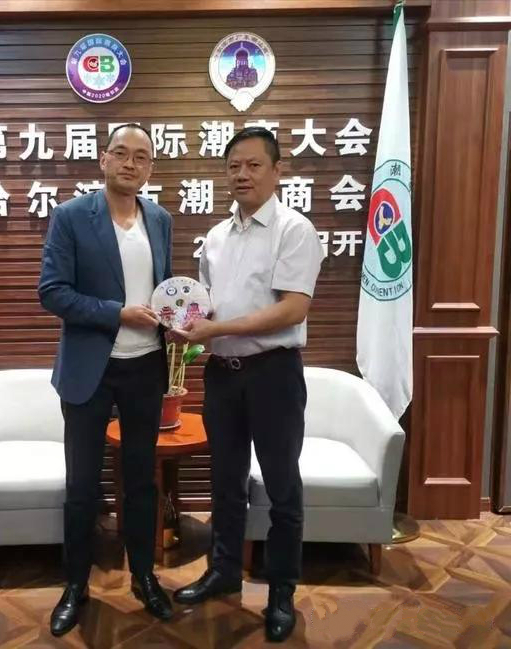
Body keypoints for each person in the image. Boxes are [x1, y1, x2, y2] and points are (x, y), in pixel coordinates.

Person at [172, 127, 324, 643]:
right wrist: (183, 321)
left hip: (273, 374)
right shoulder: (216, 236)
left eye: (254, 165)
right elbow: (208, 304)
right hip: (222, 375)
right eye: (234, 165)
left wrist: (216, 329)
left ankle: (281, 591)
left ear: (278, 171)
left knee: (282, 487)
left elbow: (292, 309)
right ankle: (222, 572)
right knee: (225, 482)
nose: (242, 174)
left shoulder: (294, 229)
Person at [38, 123, 174, 637]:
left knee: (141, 482)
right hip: (88, 370)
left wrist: (177, 317)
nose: (130, 163)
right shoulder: (72, 216)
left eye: (141, 156)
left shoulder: (159, 219)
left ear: (150, 167)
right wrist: (117, 313)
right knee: (81, 485)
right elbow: (52, 291)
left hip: (145, 368)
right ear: (103, 158)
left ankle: (144, 576)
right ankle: (75, 585)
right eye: (121, 153)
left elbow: (163, 287)